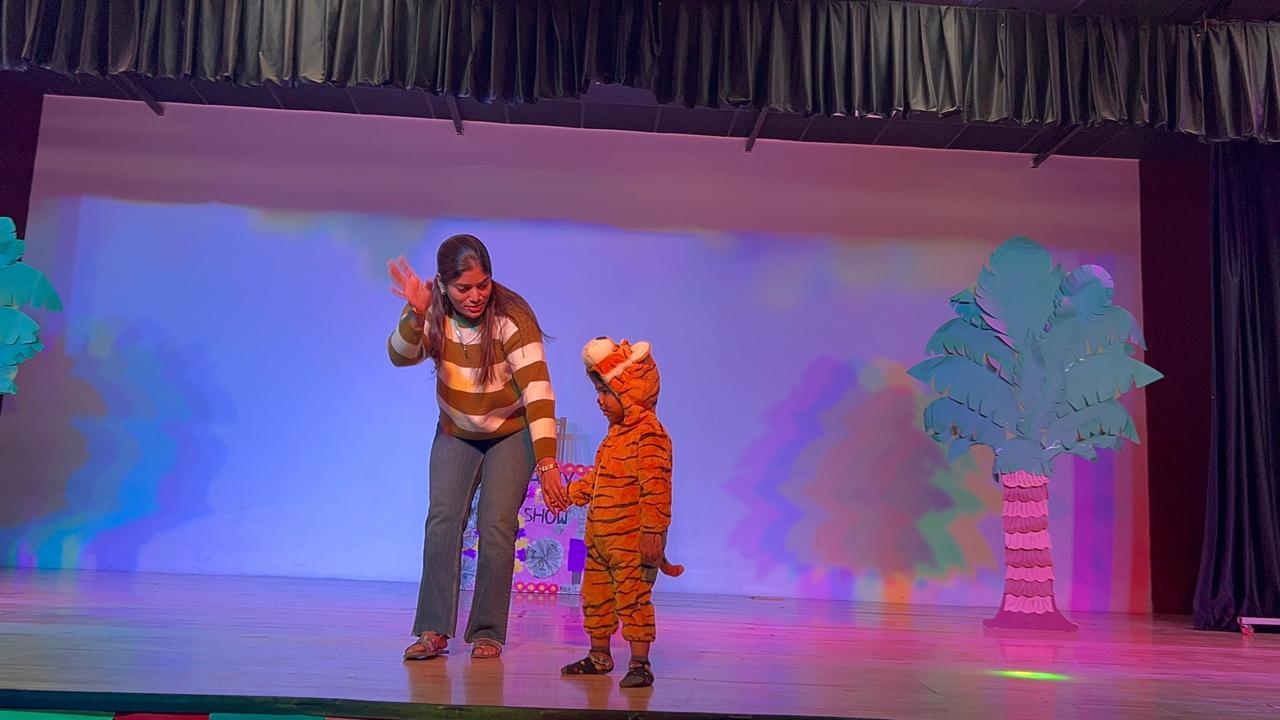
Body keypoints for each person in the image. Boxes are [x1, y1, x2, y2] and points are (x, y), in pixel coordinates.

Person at [387, 233, 568, 661]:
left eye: (482, 285)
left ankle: (487, 631)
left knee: (496, 526)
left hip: (510, 433)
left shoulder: (511, 316)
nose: (475, 296)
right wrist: (416, 314)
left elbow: (538, 393)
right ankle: (433, 630)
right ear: (444, 284)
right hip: (456, 431)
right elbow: (399, 355)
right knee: (443, 521)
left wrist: (547, 462)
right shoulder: (432, 310)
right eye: (463, 288)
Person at [555, 337, 681, 688]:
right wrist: (570, 495)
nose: (600, 401)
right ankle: (599, 654)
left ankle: (640, 662)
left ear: (631, 392)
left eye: (607, 393)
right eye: (598, 392)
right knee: (595, 596)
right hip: (599, 539)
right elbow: (599, 478)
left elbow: (656, 487)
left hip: (631, 539)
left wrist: (653, 532)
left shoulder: (650, 435)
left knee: (633, 597)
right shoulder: (613, 437)